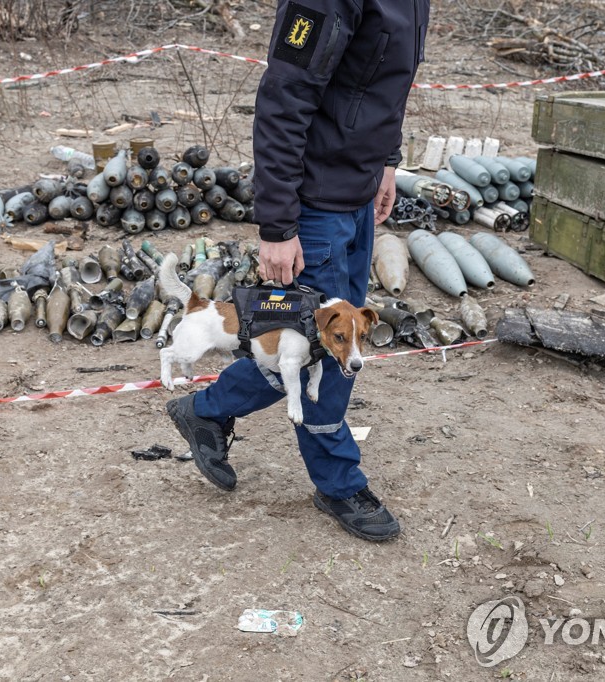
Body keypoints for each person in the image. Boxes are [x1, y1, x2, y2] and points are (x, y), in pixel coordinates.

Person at [167, 0, 429, 542]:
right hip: (314, 206)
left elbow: (387, 87)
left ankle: (207, 411)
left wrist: (386, 161)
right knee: (334, 355)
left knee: (330, 338)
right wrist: (279, 224)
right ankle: (337, 482)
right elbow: (285, 97)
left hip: (355, 196)